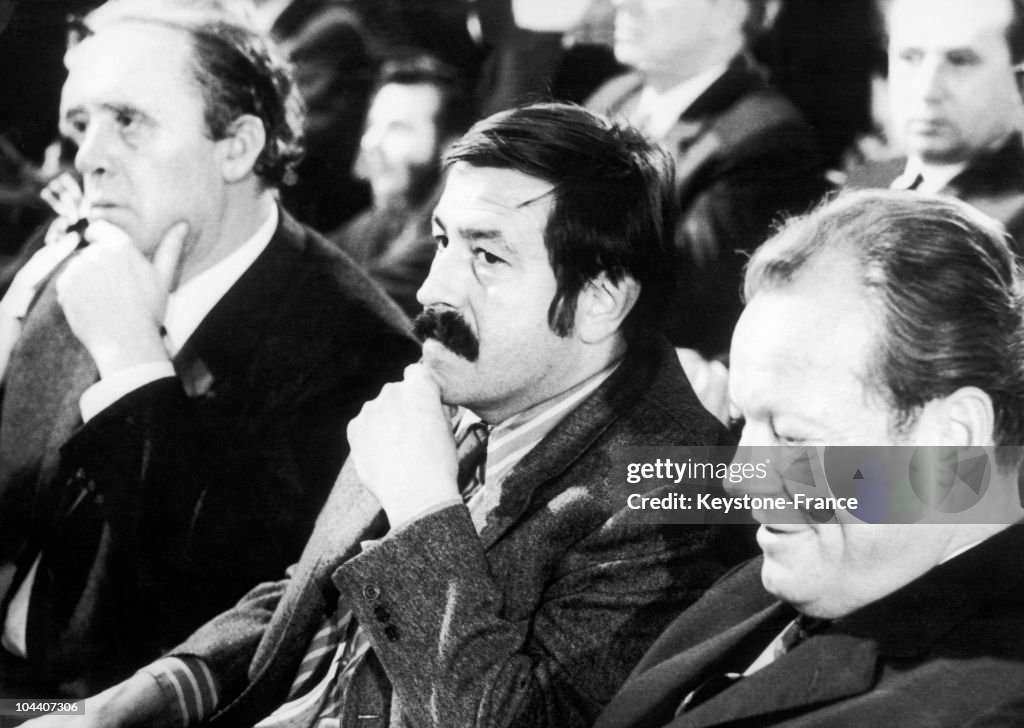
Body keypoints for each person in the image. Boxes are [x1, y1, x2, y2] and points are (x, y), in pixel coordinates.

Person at [31, 102, 754, 728]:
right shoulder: (469, 383)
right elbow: (316, 589)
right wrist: (164, 686)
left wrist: (422, 513)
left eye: (488, 258)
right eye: (443, 240)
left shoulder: (675, 490)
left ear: (600, 300)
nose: (434, 290)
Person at [0, 0, 418, 698]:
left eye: (128, 122)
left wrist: (134, 365)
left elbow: (241, 624)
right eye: (82, 125)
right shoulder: (86, 271)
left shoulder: (358, 349)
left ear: (238, 146)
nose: (89, 158)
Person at [595, 189, 1024, 727]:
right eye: (741, 422)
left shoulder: (987, 708)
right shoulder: (759, 585)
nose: (738, 481)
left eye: (793, 438)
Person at [587, 0, 829, 359]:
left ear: (727, 14)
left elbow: (686, 308)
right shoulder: (616, 97)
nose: (622, 2)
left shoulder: (765, 138)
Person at [850, 0, 1024, 249]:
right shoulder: (865, 184)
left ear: (1019, 84)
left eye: (960, 61)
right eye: (909, 58)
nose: (926, 90)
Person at [330, 54, 475, 317]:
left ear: (451, 146)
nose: (370, 143)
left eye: (398, 128)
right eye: (373, 125)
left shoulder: (456, 236)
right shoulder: (383, 220)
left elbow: (350, 299)